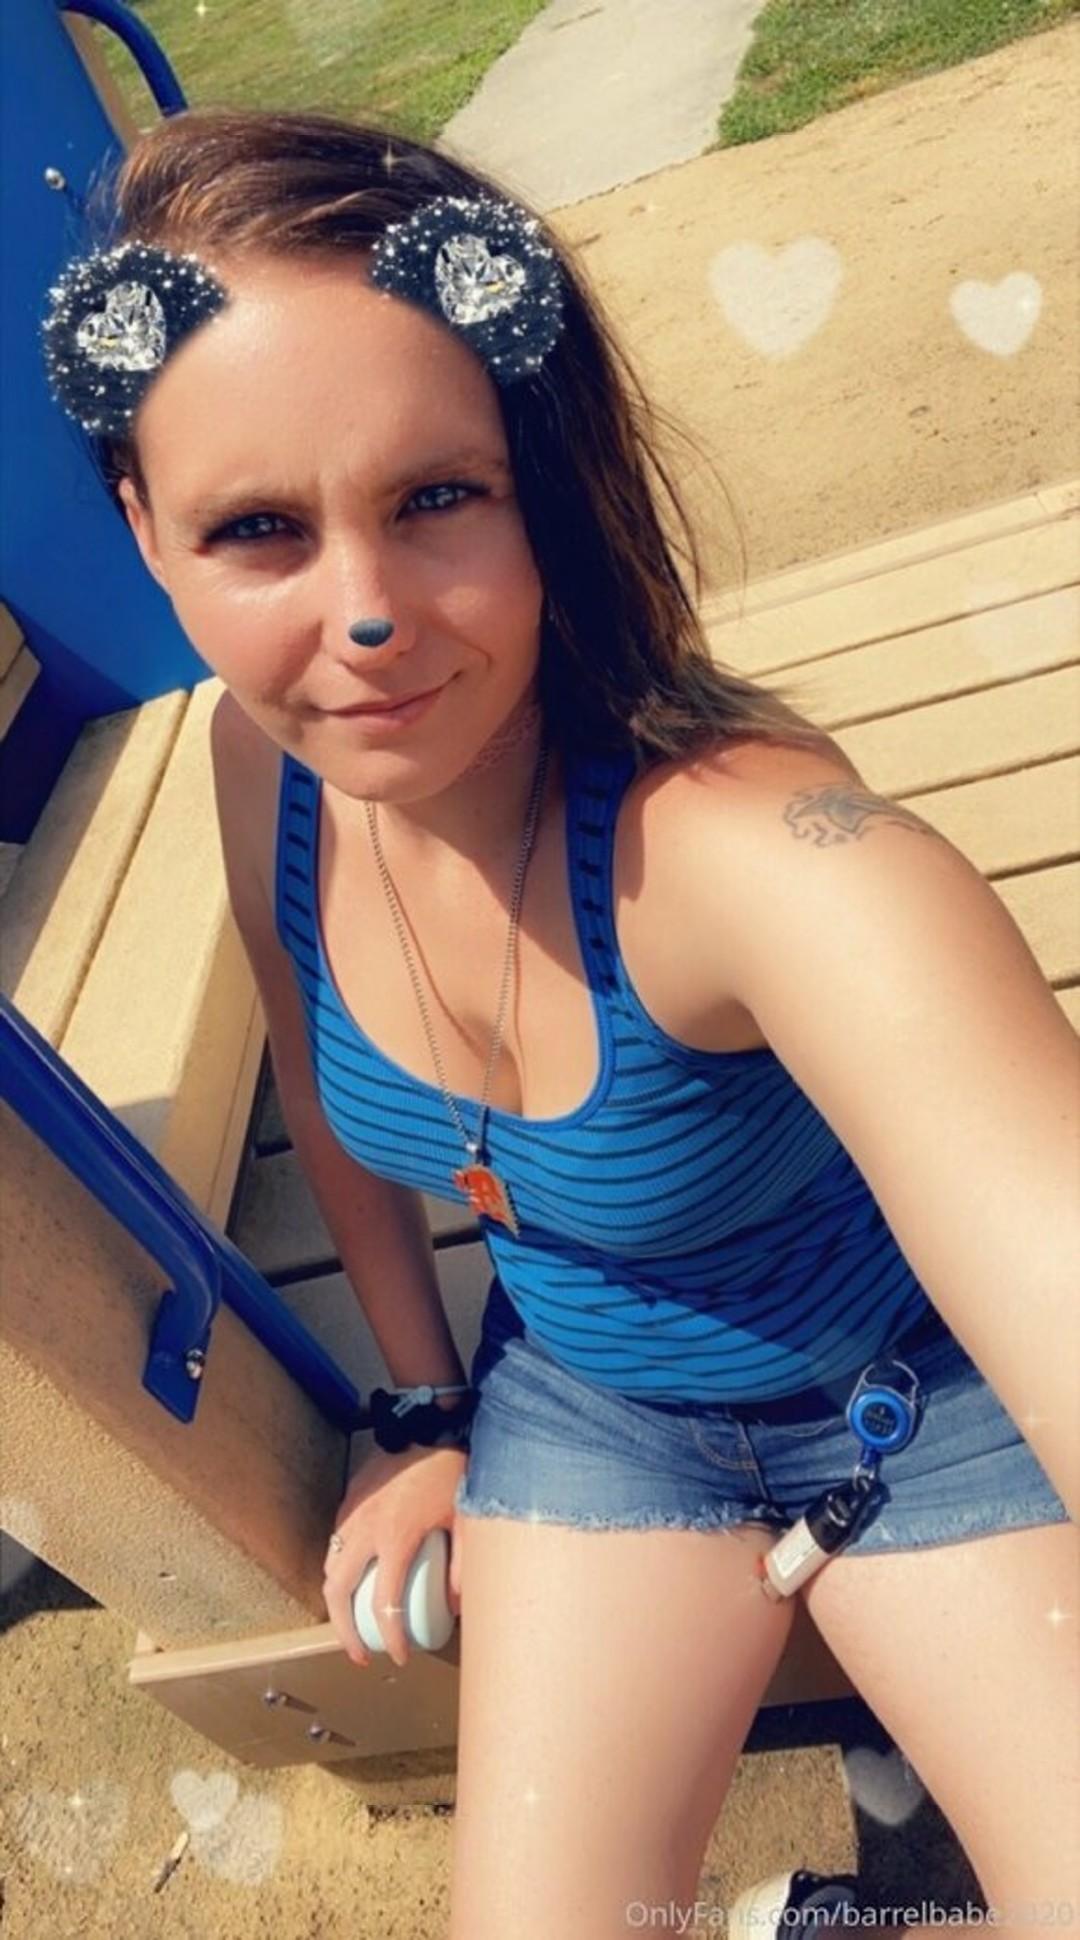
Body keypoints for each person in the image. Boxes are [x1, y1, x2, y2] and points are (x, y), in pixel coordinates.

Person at [41, 105, 1078, 1940]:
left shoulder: (762, 855)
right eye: (257, 530)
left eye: (437, 497)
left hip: (924, 1398)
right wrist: (420, 1405)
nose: (365, 618)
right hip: (597, 1407)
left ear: (544, 484)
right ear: (145, 528)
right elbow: (316, 1074)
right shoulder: (263, 776)